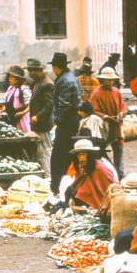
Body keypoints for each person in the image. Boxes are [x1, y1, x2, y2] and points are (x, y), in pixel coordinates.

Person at [49, 52, 82, 194]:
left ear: (56, 67)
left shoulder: (64, 80)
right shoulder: (70, 77)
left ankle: (58, 186)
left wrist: (57, 121)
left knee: (59, 157)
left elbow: (64, 105)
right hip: (72, 119)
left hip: (68, 121)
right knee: (66, 155)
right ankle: (66, 184)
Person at [90, 67, 125, 178]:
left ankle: (120, 174)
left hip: (116, 125)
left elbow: (122, 106)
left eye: (112, 80)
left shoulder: (116, 91)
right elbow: (93, 110)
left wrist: (121, 114)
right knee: (101, 150)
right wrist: (105, 117)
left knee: (118, 151)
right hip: (103, 127)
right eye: (108, 80)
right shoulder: (96, 93)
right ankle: (108, 171)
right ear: (102, 80)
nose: (110, 82)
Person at [65, 139, 116, 211]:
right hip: (84, 201)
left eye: (83, 154)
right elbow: (77, 186)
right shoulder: (81, 167)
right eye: (78, 155)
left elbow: (112, 187)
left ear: (90, 154)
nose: (81, 158)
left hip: (98, 203)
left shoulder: (100, 168)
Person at [26, 58, 54, 176]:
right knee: (40, 152)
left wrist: (38, 116)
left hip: (43, 124)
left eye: (33, 71)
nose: (30, 73)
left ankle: (48, 176)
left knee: (45, 152)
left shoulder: (46, 84)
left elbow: (49, 105)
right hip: (37, 124)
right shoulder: (38, 82)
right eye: (29, 70)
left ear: (39, 70)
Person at [3, 65, 31, 132]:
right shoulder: (10, 89)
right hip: (12, 117)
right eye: (9, 77)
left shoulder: (23, 89)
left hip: (21, 118)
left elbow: (31, 104)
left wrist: (23, 113)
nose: (10, 79)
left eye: (12, 77)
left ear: (18, 79)